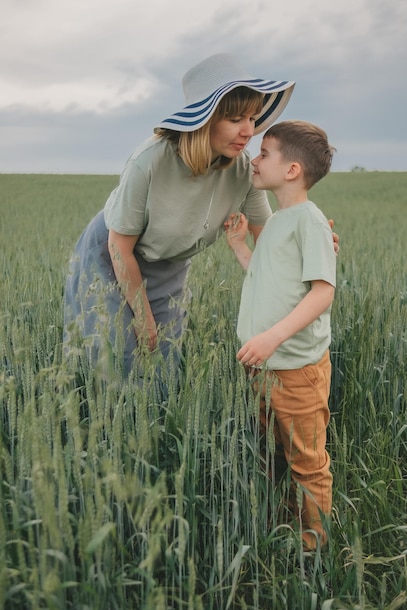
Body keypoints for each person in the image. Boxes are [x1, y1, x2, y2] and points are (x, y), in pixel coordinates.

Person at [63, 52, 337, 379]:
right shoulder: (149, 162)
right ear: (205, 119)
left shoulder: (243, 171)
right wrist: (142, 318)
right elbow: (119, 247)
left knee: (163, 364)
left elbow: (268, 240)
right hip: (111, 256)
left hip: (171, 263)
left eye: (253, 117)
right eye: (236, 119)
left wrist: (309, 242)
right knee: (111, 358)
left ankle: (157, 431)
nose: (249, 131)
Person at [225, 120, 336, 551]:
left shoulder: (309, 221)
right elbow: (269, 281)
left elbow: (322, 292)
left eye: (265, 152)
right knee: (276, 457)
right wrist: (239, 246)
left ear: (291, 170)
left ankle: (316, 551)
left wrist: (272, 337)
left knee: (307, 463)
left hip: (296, 371)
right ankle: (288, 528)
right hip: (265, 368)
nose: (255, 158)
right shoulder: (277, 222)